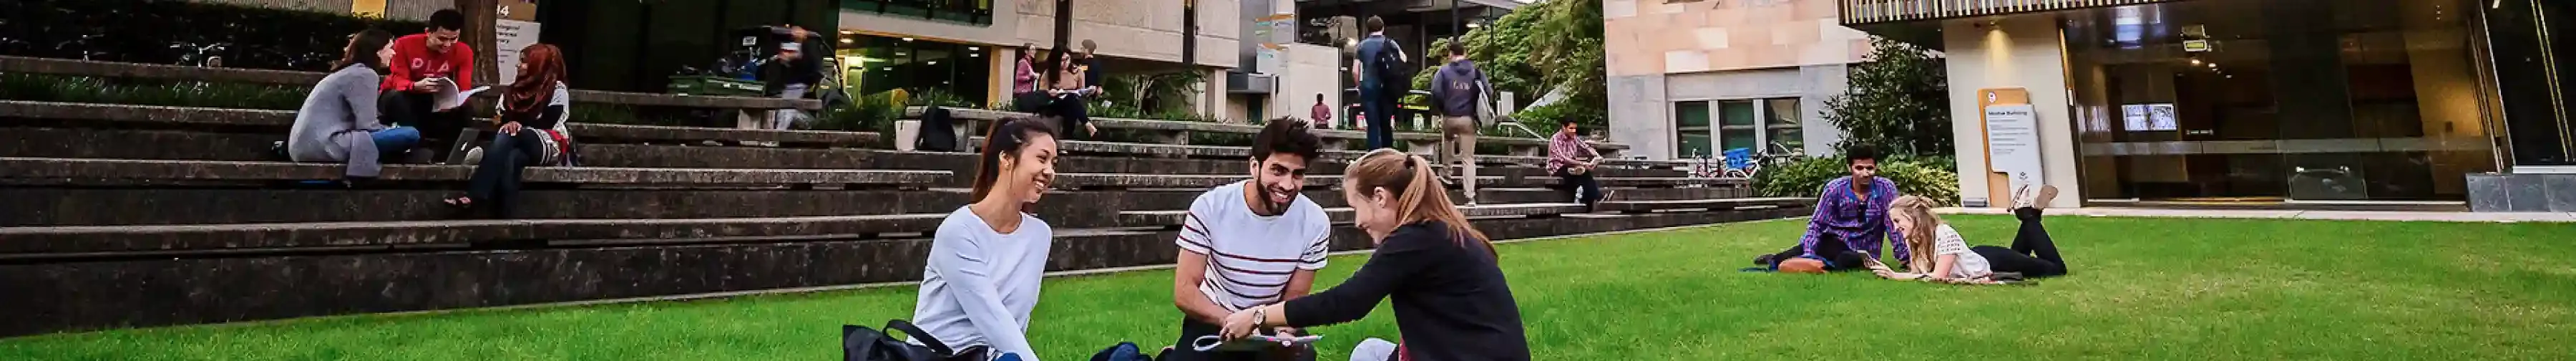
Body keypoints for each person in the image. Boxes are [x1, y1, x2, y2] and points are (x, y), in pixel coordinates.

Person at [1216, 149, 1531, 361]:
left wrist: (1257, 315)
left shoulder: (1416, 239)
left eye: (1357, 207)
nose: (1357, 222)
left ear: (1379, 197)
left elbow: (1347, 302)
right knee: (1370, 352)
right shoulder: (1440, 232)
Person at [1163, 121, 1331, 361]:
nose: (1287, 185)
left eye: (1297, 174)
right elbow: (1185, 292)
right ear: (1255, 166)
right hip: (1214, 317)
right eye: (1278, 171)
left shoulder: (1315, 222)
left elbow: (1294, 297)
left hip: (1271, 321)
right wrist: (1233, 322)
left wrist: (1284, 332)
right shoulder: (1210, 207)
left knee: (1302, 356)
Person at [914, 117, 1062, 361]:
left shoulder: (1040, 236)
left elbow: (1016, 322)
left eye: (1054, 163)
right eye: (1042, 158)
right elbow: (990, 316)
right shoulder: (959, 231)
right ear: (1006, 159)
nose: (1050, 172)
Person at [440, 44, 570, 218]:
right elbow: (497, 119)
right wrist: (505, 123)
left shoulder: (556, 89)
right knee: (511, 159)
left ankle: (475, 194)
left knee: (510, 134)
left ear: (538, 64)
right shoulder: (510, 92)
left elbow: (548, 122)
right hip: (513, 143)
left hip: (548, 143)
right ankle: (504, 219)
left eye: (524, 62)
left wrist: (517, 125)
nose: (518, 65)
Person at [1752, 146, 1906, 274]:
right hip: (1833, 241)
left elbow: (1894, 225)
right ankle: (1775, 260)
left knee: (1846, 260)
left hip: (1863, 251)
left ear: (1876, 168)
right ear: (1850, 168)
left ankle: (1815, 265)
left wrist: (1905, 258)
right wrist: (1809, 253)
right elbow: (1817, 224)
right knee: (1791, 256)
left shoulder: (1885, 189)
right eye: (1859, 168)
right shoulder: (1835, 189)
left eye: (1870, 168)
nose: (1865, 173)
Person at [289, 29, 418, 179]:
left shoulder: (349, 72)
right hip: (326, 145)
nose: (393, 53)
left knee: (396, 137)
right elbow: (368, 126)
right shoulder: (364, 75)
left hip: (305, 147)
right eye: (390, 48)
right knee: (411, 134)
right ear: (378, 51)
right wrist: (390, 130)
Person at [1871, 186, 2069, 283]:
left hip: (1995, 262)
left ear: (1914, 217)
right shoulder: (1914, 238)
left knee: (2056, 269)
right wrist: (1894, 273)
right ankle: (2032, 213)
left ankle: (2028, 215)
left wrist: (1896, 276)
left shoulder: (1943, 233)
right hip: (1978, 258)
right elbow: (1917, 274)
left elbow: (1938, 277)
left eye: (1898, 221)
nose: (1895, 228)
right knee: (2024, 257)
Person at [379, 9, 475, 161]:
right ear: (428, 32)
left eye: (453, 39)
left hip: (433, 99)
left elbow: (464, 86)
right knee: (400, 99)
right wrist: (415, 86)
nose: (447, 45)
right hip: (401, 95)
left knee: (465, 108)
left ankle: (453, 156)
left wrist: (455, 101)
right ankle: (418, 150)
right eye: (442, 39)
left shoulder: (464, 51)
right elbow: (398, 79)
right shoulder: (404, 44)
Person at [1427, 42, 1485, 206]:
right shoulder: (1476, 72)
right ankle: (1470, 196)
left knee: (1448, 141)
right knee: (1468, 158)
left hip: (1450, 116)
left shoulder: (1443, 71)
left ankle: (1446, 175)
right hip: (1468, 118)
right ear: (1465, 53)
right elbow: (1487, 91)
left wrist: (1444, 108)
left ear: (1450, 54)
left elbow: (1436, 91)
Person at [1350, 16, 1406, 150]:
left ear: (1368, 29)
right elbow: (1403, 59)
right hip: (1388, 87)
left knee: (1372, 123)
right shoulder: (1390, 43)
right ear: (1383, 28)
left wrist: (1359, 86)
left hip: (1369, 87)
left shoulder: (1361, 46)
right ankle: (1388, 151)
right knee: (1386, 122)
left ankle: (1374, 152)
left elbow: (1355, 71)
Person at [766, 26, 824, 130]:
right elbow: (782, 64)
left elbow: (813, 66)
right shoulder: (790, 45)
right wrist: (783, 59)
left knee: (786, 111)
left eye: (798, 32)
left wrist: (795, 57)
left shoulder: (809, 47)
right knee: (785, 111)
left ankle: (778, 134)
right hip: (788, 85)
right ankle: (806, 122)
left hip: (800, 84)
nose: (795, 34)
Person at [1546, 122, 1607, 208]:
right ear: (1564, 127)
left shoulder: (1574, 138)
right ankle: (1597, 197)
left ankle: (1586, 201)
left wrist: (1597, 156)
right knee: (1582, 175)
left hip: (1572, 166)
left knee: (1583, 176)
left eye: (1575, 129)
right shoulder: (1556, 139)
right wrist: (1582, 164)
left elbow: (1586, 147)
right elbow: (1563, 158)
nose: (1573, 131)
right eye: (1571, 128)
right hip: (1558, 167)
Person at [1046, 49, 1095, 140]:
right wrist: (1051, 92)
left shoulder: (1078, 71)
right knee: (1071, 101)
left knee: (1071, 104)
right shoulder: (1050, 72)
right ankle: (1087, 123)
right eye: (1062, 60)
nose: (1065, 62)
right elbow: (1041, 91)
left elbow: (1081, 91)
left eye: (1067, 59)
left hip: (1071, 103)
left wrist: (1089, 91)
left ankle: (1067, 138)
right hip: (1055, 103)